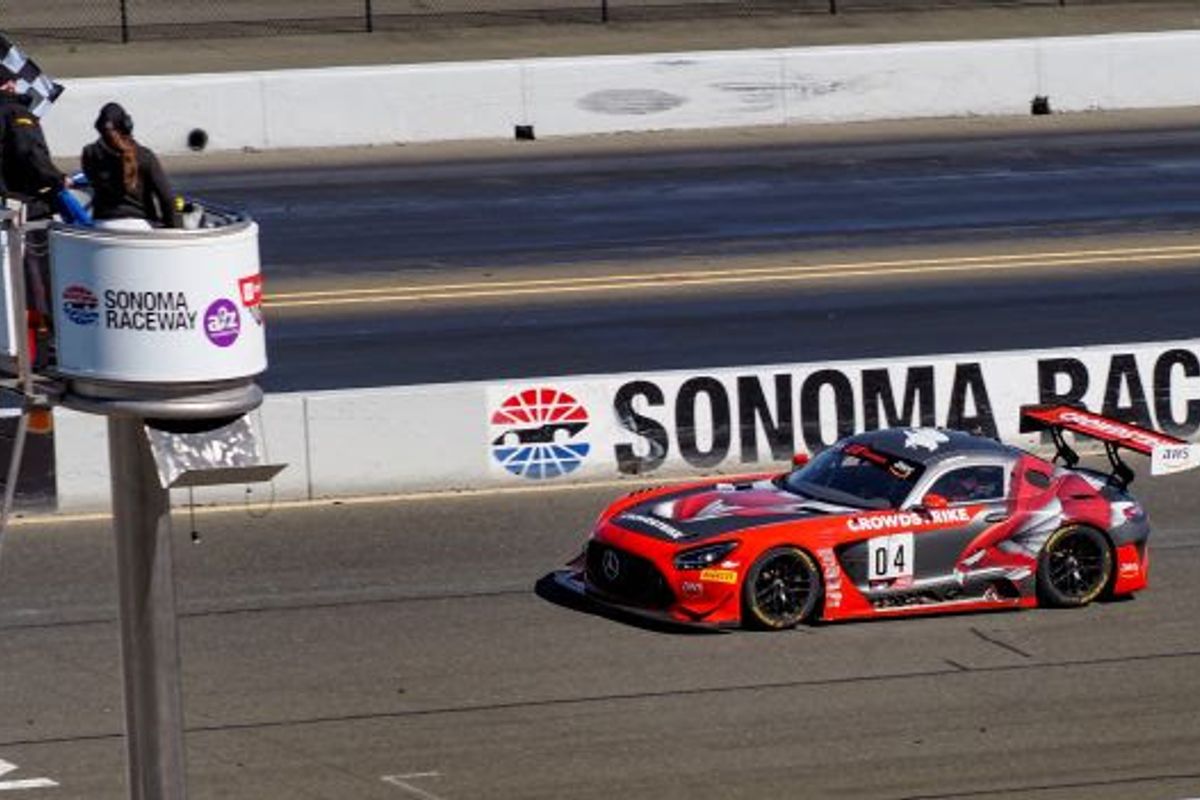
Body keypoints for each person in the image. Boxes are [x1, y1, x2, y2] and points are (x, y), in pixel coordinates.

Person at [81, 102, 179, 230]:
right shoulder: (145, 155)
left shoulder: (89, 154)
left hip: (102, 226)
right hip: (141, 227)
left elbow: (92, 180)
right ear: (127, 125)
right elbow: (167, 198)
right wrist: (172, 227)